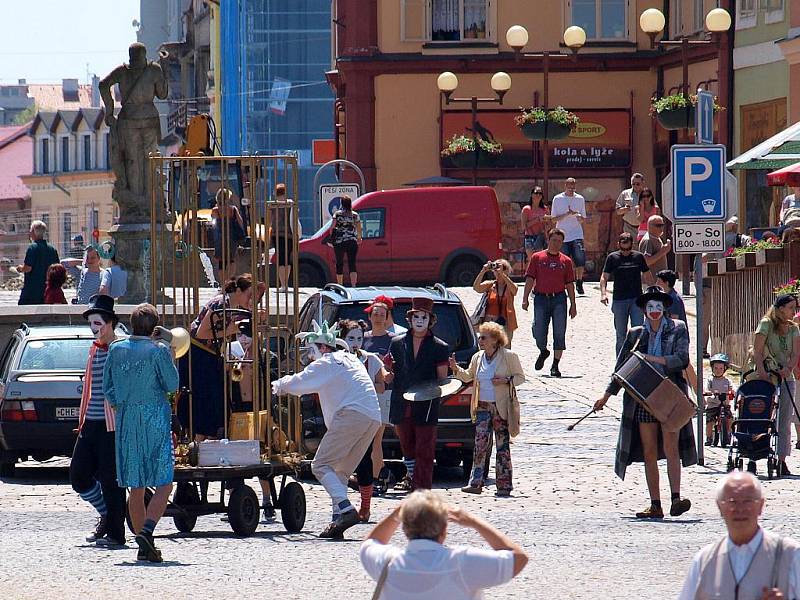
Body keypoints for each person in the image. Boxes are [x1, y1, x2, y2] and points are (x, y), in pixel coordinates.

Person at [271, 320, 381, 538]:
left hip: (352, 414)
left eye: (311, 350)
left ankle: (346, 510)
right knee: (339, 470)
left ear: (321, 347)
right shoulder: (350, 358)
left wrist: (279, 385)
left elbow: (300, 382)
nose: (310, 357)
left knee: (320, 465)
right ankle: (337, 521)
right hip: (372, 417)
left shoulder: (327, 362)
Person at [594, 286, 695, 519]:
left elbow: (681, 359)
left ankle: (676, 498)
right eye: (650, 307)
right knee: (649, 451)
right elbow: (621, 369)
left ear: (664, 307)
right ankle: (655, 504)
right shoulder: (635, 334)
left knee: (671, 448)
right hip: (643, 397)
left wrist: (652, 359)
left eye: (658, 306)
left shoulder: (678, 329)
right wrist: (606, 395)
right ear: (644, 310)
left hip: (670, 395)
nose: (654, 310)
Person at [104, 303, 180, 562]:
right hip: (154, 417)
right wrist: (169, 351)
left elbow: (108, 387)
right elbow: (172, 383)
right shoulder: (157, 351)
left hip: (126, 418)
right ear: (155, 326)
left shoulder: (116, 349)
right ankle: (146, 531)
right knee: (164, 481)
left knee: (135, 487)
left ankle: (143, 546)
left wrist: (121, 404)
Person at [360, 491, 528, 599]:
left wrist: (397, 513)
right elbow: (518, 558)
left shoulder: (387, 563)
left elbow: (371, 542)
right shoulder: (462, 562)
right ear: (444, 529)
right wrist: (474, 522)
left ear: (404, 529)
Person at [678, 471, 800, 600]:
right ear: (720, 507)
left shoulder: (790, 555)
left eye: (748, 501)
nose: (740, 509)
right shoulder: (705, 560)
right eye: (732, 502)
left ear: (761, 505)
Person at [70, 295, 126, 547]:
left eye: (98, 323)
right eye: (91, 323)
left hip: (111, 425)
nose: (94, 329)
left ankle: (116, 532)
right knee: (78, 476)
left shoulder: (120, 348)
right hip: (90, 423)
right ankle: (105, 514)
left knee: (111, 480)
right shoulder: (94, 349)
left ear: (110, 323)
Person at [178, 274, 263, 440]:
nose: (251, 299)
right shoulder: (220, 303)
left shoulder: (234, 306)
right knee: (202, 398)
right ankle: (198, 441)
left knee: (213, 399)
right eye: (249, 294)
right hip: (197, 353)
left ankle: (205, 440)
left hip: (209, 355)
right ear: (238, 290)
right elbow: (201, 333)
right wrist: (230, 330)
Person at [450, 322, 525, 496]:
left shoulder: (508, 356)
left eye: (484, 337)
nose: (480, 340)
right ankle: (476, 483)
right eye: (480, 337)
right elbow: (469, 376)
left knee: (502, 446)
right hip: (482, 406)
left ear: (495, 340)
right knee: (480, 445)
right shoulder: (478, 357)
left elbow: (520, 377)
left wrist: (506, 380)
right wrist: (455, 369)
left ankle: (504, 485)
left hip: (501, 407)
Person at [389, 297, 450, 492]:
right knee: (407, 448)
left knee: (424, 449)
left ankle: (422, 488)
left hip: (426, 404)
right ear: (410, 318)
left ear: (430, 320)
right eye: (416, 316)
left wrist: (434, 396)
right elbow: (391, 373)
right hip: (402, 402)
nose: (420, 320)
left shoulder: (439, 346)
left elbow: (442, 380)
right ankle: (412, 479)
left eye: (424, 317)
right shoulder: (397, 342)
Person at [338, 319, 388, 522]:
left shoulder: (370, 360)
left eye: (359, 338)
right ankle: (340, 504)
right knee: (340, 460)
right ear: (342, 339)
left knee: (364, 459)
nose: (356, 343)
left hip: (365, 416)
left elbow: (382, 387)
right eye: (351, 338)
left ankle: (365, 506)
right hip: (341, 416)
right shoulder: (336, 359)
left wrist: (365, 385)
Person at [753, 294, 800, 477]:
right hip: (766, 375)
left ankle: (781, 459)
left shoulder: (793, 329)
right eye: (790, 307)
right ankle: (755, 451)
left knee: (785, 418)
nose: (793, 312)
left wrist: (788, 368)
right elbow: (757, 350)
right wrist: (762, 372)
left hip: (785, 377)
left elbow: (796, 353)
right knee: (761, 415)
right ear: (780, 309)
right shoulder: (766, 324)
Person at [520, 228, 578, 378]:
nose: (556, 244)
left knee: (559, 332)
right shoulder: (537, 258)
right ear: (548, 240)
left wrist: (573, 304)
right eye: (554, 240)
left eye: (559, 241)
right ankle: (543, 350)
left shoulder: (566, 261)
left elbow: (570, 284)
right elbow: (530, 278)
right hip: (540, 298)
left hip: (559, 299)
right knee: (539, 329)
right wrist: (525, 298)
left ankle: (555, 365)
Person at [363, 295, 398, 493]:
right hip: (363, 393)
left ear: (387, 317)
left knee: (375, 437)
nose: (377, 317)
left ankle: (376, 477)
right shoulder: (362, 339)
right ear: (370, 317)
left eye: (381, 314)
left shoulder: (393, 340)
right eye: (374, 314)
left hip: (383, 394)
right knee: (365, 438)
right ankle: (380, 473)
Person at [600, 232, 650, 356]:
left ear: (632, 245)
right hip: (619, 300)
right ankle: (620, 362)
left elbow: (647, 275)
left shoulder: (638, 257)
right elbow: (604, 277)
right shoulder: (613, 257)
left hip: (637, 299)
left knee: (638, 332)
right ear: (618, 245)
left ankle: (637, 362)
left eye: (628, 248)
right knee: (621, 335)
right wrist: (603, 293)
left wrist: (652, 293)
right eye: (623, 248)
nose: (626, 251)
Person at [550, 177, 587, 295]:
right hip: (562, 234)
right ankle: (564, 283)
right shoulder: (558, 199)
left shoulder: (580, 199)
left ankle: (579, 281)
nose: (571, 188)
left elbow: (583, 219)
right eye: (569, 186)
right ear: (565, 185)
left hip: (577, 233)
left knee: (580, 259)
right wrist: (566, 214)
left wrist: (579, 217)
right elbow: (553, 219)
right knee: (564, 261)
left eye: (573, 186)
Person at [471, 258, 518, 345]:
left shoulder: (510, 285)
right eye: (496, 268)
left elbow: (514, 291)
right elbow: (476, 287)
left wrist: (503, 275)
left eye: (503, 267)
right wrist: (483, 271)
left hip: (505, 322)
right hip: (489, 322)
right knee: (488, 347)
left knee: (504, 349)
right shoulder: (490, 285)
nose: (499, 270)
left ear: (508, 270)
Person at [17, 220, 59, 305]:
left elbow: (28, 268)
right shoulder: (52, 250)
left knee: (25, 313)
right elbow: (57, 268)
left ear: (33, 232)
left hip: (32, 290)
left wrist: (20, 268)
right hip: (48, 290)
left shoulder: (32, 248)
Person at [211, 188, 245, 282]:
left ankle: (223, 283)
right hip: (232, 237)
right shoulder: (233, 209)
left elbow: (213, 224)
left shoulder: (215, 210)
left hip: (220, 238)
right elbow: (240, 222)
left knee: (222, 262)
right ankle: (229, 280)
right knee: (231, 260)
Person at [269, 183, 298, 291]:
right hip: (289, 234)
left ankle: (283, 284)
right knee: (287, 259)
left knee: (280, 259)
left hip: (277, 234)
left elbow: (269, 220)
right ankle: (287, 283)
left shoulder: (273, 205)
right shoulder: (290, 204)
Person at [329, 195, 362, 286]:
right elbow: (359, 228)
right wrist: (359, 238)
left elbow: (332, 227)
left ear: (342, 204)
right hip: (352, 241)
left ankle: (340, 284)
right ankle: (354, 285)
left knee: (339, 263)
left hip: (339, 242)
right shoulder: (355, 215)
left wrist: (331, 237)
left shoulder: (337, 214)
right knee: (352, 263)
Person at [703, 353, 734, 447]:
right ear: (712, 368)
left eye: (721, 368)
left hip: (724, 403)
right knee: (709, 420)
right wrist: (709, 392)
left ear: (725, 369)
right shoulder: (710, 380)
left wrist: (732, 391)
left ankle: (729, 434)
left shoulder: (727, 381)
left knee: (729, 418)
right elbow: (706, 389)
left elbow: (732, 388)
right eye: (716, 368)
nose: (718, 371)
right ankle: (709, 437)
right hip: (713, 404)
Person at [638, 215, 672, 285]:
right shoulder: (648, 240)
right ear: (650, 226)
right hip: (651, 283)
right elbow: (646, 262)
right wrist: (663, 251)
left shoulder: (656, 237)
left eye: (662, 225)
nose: (661, 228)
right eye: (658, 225)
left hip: (658, 282)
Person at [520, 186, 549, 260]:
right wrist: (537, 220)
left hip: (540, 237)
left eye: (540, 193)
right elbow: (524, 226)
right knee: (531, 260)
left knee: (540, 259)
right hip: (529, 237)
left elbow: (548, 225)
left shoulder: (544, 209)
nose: (538, 195)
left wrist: (546, 222)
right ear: (532, 195)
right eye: (536, 193)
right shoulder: (527, 209)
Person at [616, 173, 645, 239]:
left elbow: (655, 209)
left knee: (642, 246)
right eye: (633, 184)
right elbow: (618, 211)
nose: (635, 186)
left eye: (637, 184)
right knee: (630, 246)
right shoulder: (625, 193)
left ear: (643, 183)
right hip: (628, 227)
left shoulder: (647, 194)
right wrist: (625, 209)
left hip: (643, 226)